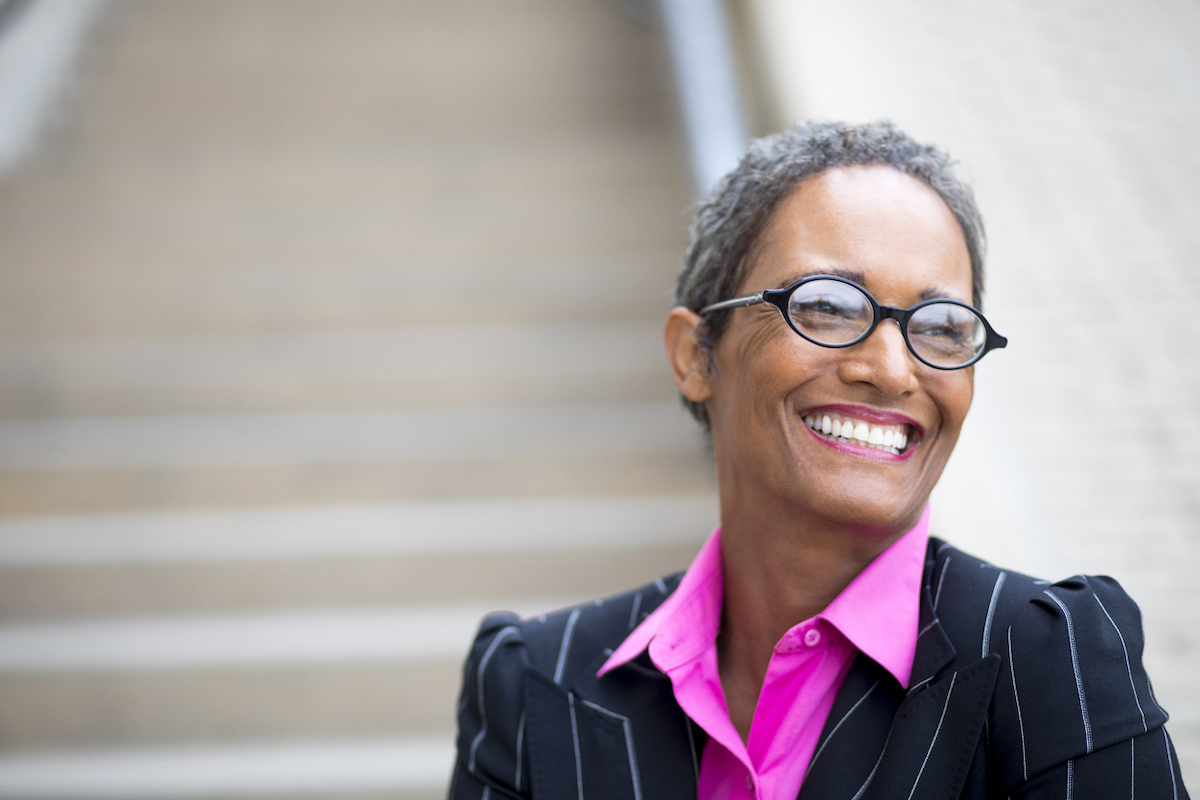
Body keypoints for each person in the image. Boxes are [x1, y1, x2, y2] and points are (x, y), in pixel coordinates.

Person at [447, 121, 1189, 800]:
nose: (893, 370)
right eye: (829, 306)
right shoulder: (530, 683)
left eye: (940, 327)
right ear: (695, 355)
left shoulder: (1051, 659)